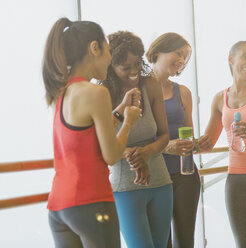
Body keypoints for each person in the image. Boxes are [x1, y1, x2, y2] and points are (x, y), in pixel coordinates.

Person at [43, 18, 141, 248]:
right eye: (107, 50)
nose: (109, 59)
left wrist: (118, 113)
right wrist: (128, 122)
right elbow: (112, 155)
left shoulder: (60, 92)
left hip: (59, 208)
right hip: (92, 203)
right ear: (94, 48)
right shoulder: (96, 92)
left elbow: (84, 136)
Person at [100, 31, 173, 248]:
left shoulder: (150, 85)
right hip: (125, 189)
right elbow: (100, 144)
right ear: (111, 67)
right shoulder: (101, 94)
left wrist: (146, 152)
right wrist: (132, 155)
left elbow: (164, 136)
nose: (134, 72)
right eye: (126, 68)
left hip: (161, 184)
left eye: (137, 64)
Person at [198, 41, 246, 248]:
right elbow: (207, 143)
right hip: (235, 181)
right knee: (243, 245)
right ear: (231, 59)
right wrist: (182, 144)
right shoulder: (219, 99)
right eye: (245, 57)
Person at [146, 32, 201, 248]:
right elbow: (134, 139)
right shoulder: (138, 90)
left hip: (185, 176)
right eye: (178, 53)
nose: (182, 60)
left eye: (186, 58)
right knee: (161, 242)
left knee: (185, 241)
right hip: (154, 177)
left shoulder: (184, 93)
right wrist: (167, 146)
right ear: (158, 51)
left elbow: (190, 136)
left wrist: (197, 143)